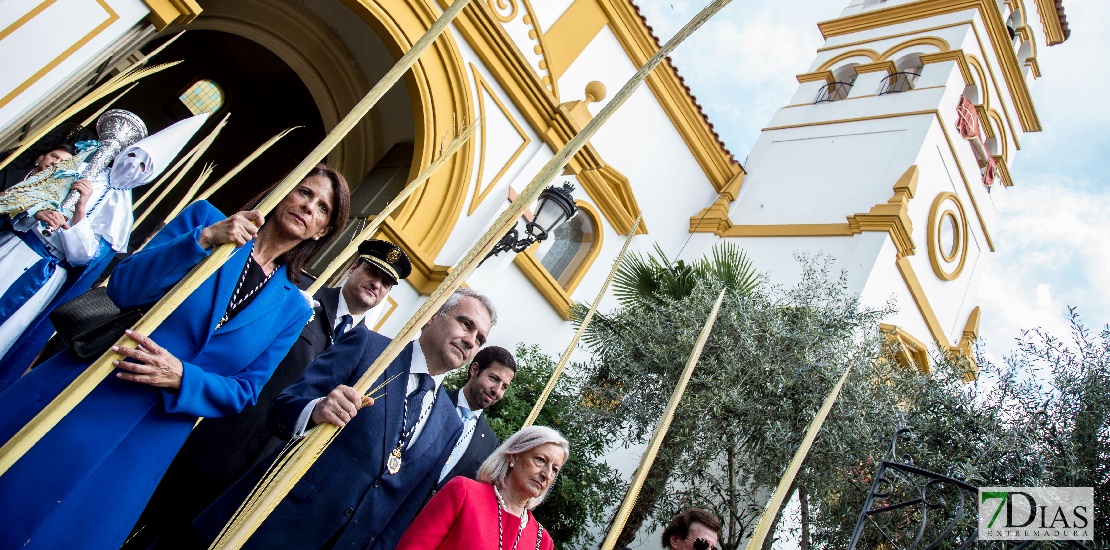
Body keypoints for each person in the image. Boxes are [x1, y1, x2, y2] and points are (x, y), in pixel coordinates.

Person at [0, 163, 351, 549]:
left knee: (70, 533)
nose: (308, 206)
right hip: (95, 386)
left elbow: (245, 391)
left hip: (151, 436)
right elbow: (125, 287)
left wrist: (183, 377)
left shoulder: (295, 308)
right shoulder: (206, 221)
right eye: (304, 192)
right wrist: (202, 240)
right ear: (283, 189)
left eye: (322, 208)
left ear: (323, 231)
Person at [126, 239, 411, 549]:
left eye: (387, 283)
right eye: (372, 272)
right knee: (147, 529)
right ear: (354, 267)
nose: (377, 285)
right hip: (222, 437)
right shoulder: (303, 296)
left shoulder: (370, 352)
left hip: (266, 472)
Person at [193, 288, 497, 550]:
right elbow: (282, 407)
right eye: (465, 323)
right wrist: (316, 409)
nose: (471, 340)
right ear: (432, 315)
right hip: (274, 524)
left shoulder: (450, 423)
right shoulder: (368, 348)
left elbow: (403, 509)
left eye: (480, 338)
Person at [0, 114, 207, 388]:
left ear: (150, 175)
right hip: (16, 249)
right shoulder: (77, 167)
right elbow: (18, 198)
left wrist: (80, 213)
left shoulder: (121, 213)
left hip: (45, 275)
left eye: (144, 165)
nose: (134, 165)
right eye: (133, 155)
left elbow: (85, 258)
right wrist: (37, 211)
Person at [395, 425, 568, 550]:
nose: (546, 474)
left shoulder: (543, 542)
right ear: (514, 456)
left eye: (554, 469)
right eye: (540, 460)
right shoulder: (464, 493)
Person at [437, 345, 516, 485]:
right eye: (493, 378)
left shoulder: (491, 444)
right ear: (474, 370)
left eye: (504, 387)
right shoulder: (434, 399)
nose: (497, 391)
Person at [0, 143, 76, 191]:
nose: (55, 162)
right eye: (54, 156)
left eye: (63, 162)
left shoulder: (53, 194)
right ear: (40, 158)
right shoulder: (8, 172)